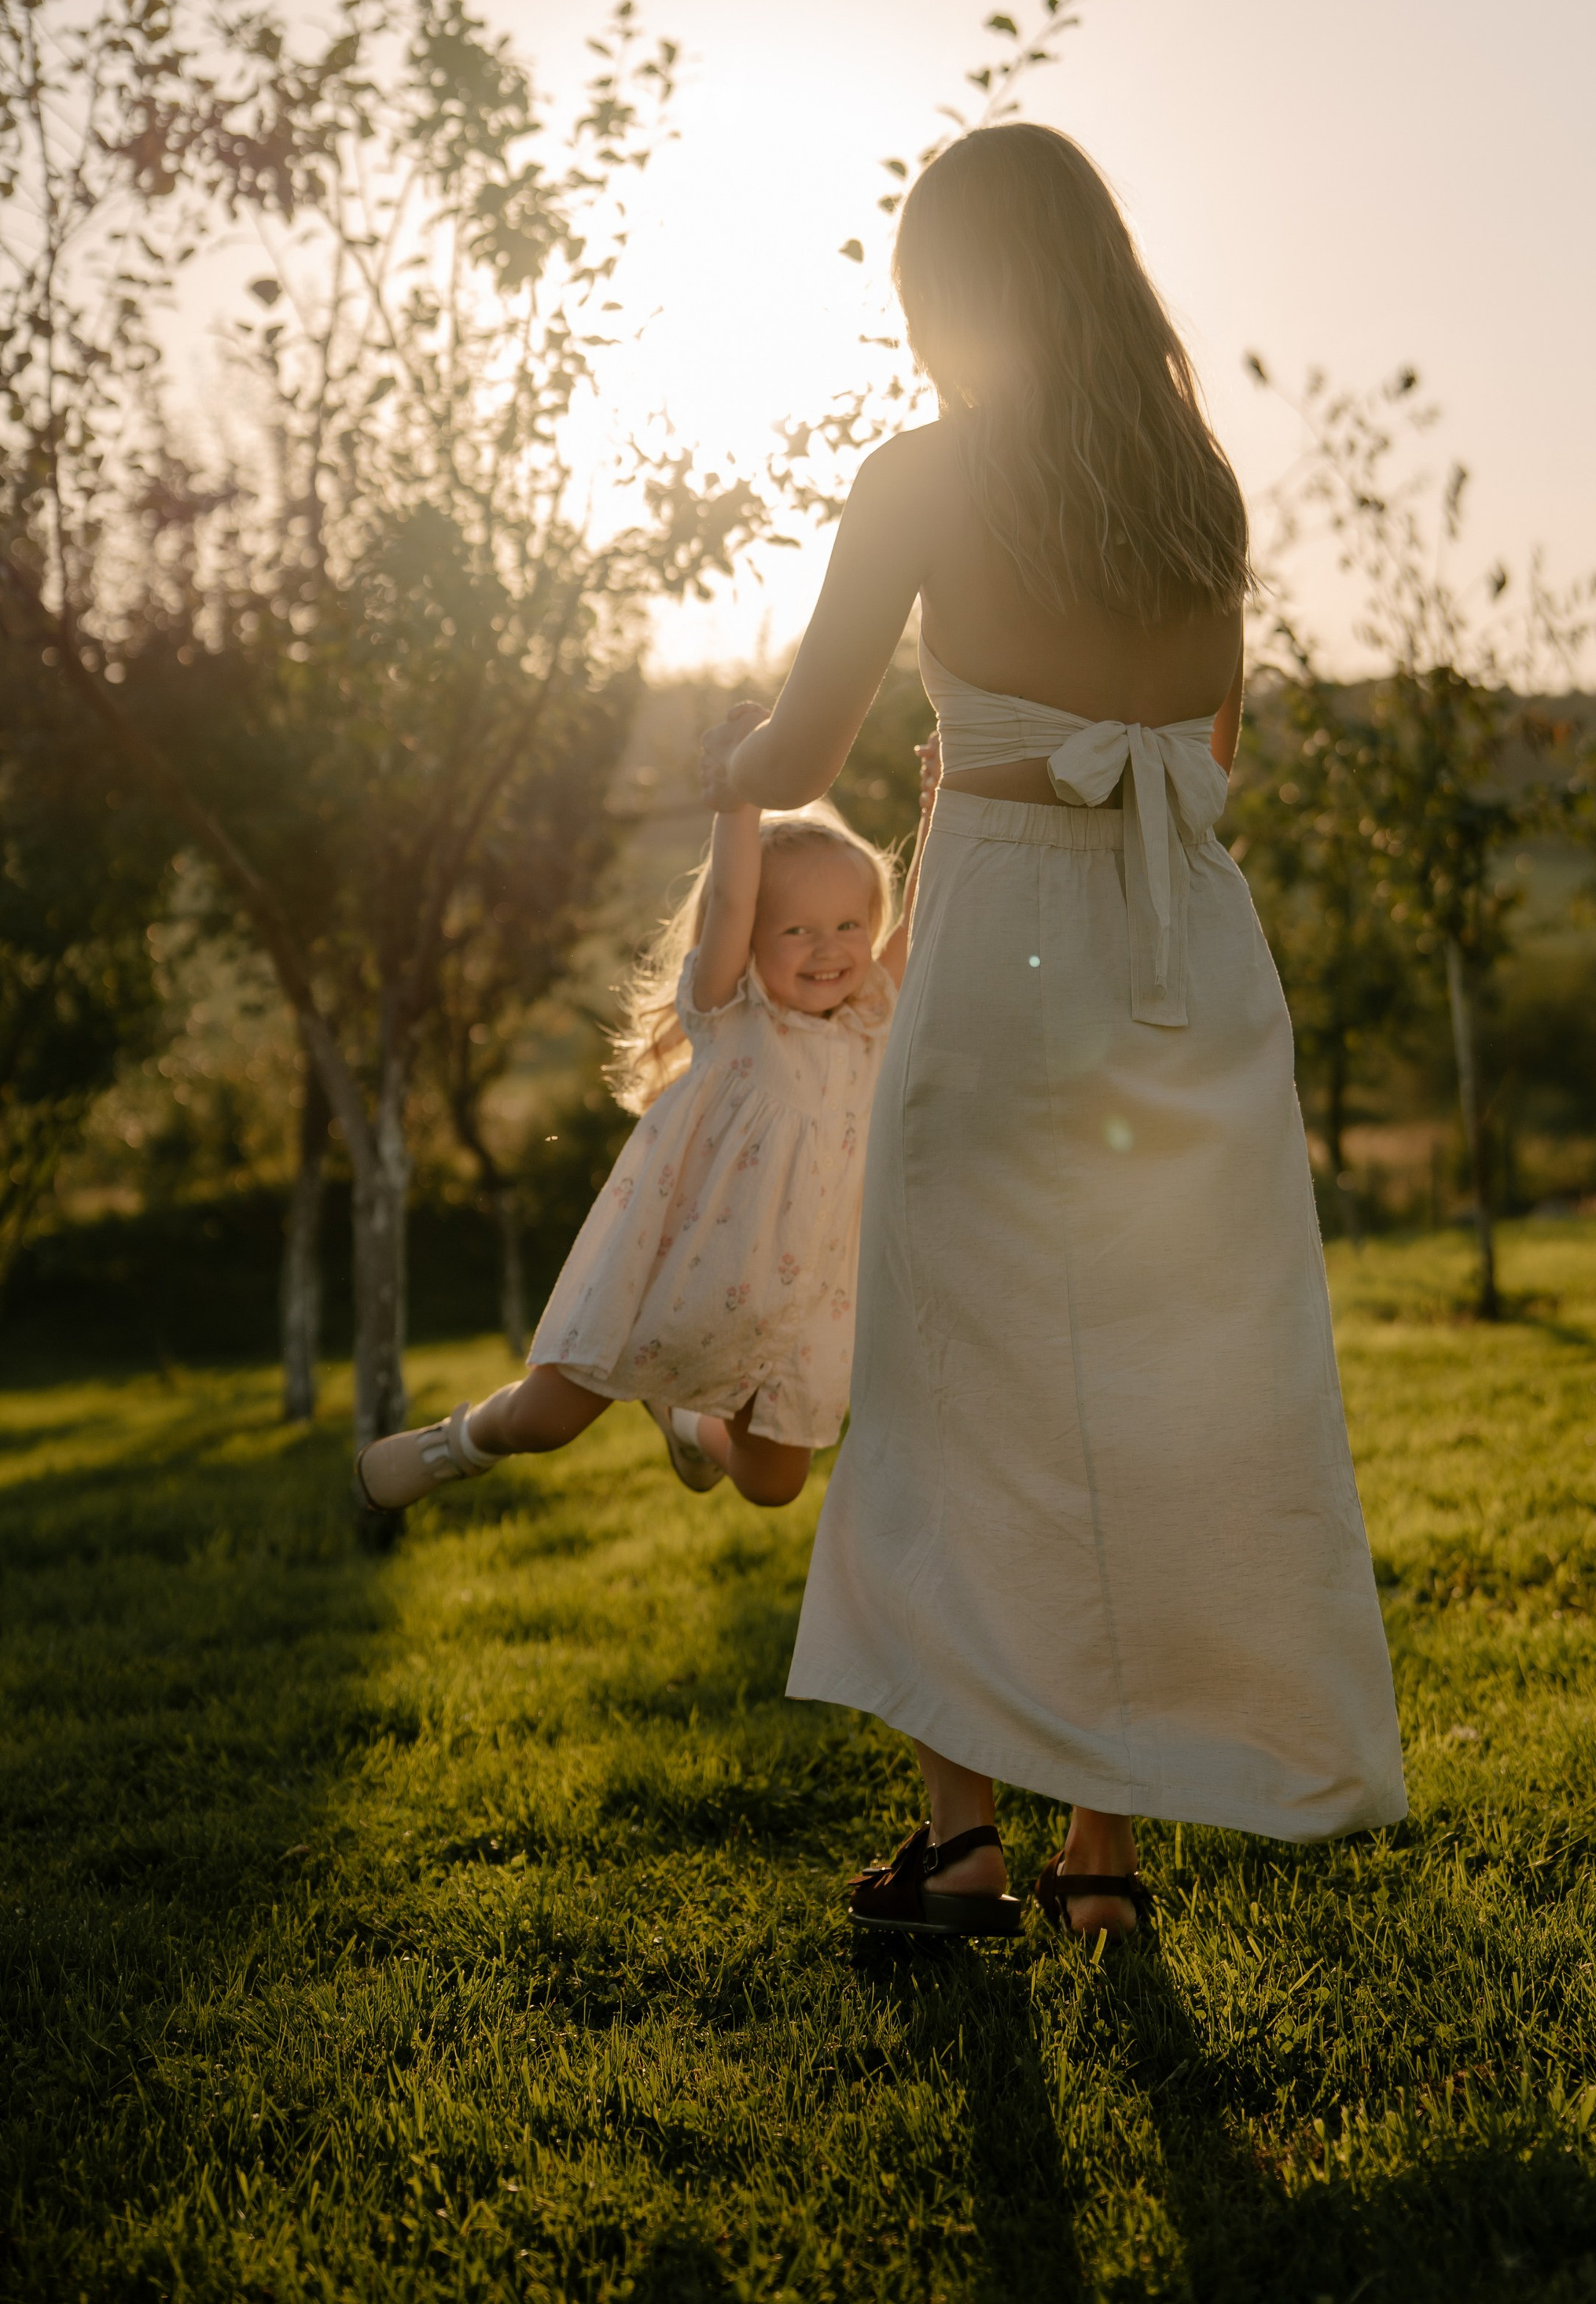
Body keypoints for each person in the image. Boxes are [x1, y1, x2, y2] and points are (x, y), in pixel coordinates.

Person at [699, 121, 1406, 1945]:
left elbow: (802, 747)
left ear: (948, 293)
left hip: (1009, 936)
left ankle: (960, 1850)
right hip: (1184, 939)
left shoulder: (923, 472)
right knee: (1159, 1386)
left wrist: (730, 769)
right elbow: (1210, 752)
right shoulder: (1196, 486)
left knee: (953, 1384)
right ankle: (1106, 1855)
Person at [355, 793, 927, 1515]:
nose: (829, 948)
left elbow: (926, 910)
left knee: (773, 1486)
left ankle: (685, 1425)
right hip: (678, 1278)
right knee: (544, 1424)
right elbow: (731, 895)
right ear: (748, 939)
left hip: (796, 1308)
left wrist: (942, 801)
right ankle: (458, 1445)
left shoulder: (869, 1022)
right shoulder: (733, 1015)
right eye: (796, 930)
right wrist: (737, 796)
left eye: (849, 925)